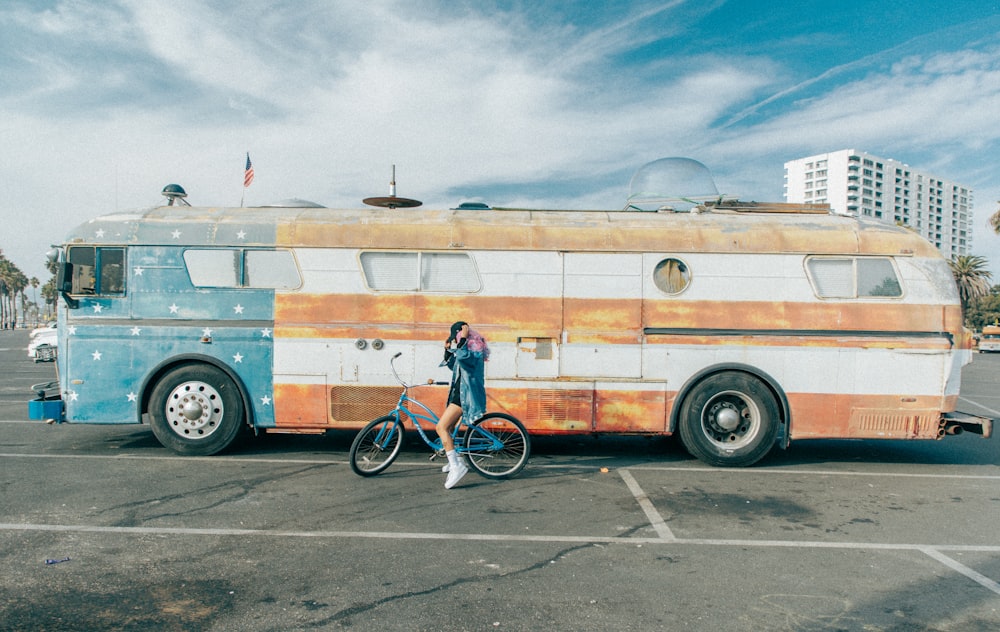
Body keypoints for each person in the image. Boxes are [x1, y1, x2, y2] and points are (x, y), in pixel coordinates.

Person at [437, 321, 489, 489]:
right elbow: (455, 365)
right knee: (450, 428)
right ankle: (457, 458)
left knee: (441, 428)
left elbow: (462, 357)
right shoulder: (466, 349)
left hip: (465, 397)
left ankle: (456, 466)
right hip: (458, 394)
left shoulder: (474, 352)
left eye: (457, 337)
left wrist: (463, 340)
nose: (456, 340)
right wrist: (447, 350)